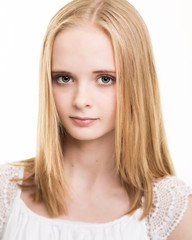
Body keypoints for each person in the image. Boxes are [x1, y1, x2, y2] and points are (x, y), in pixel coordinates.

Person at [0, 0, 192, 239]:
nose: (81, 100)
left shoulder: (170, 211)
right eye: (64, 78)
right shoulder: (6, 193)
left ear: (137, 82)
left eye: (104, 79)